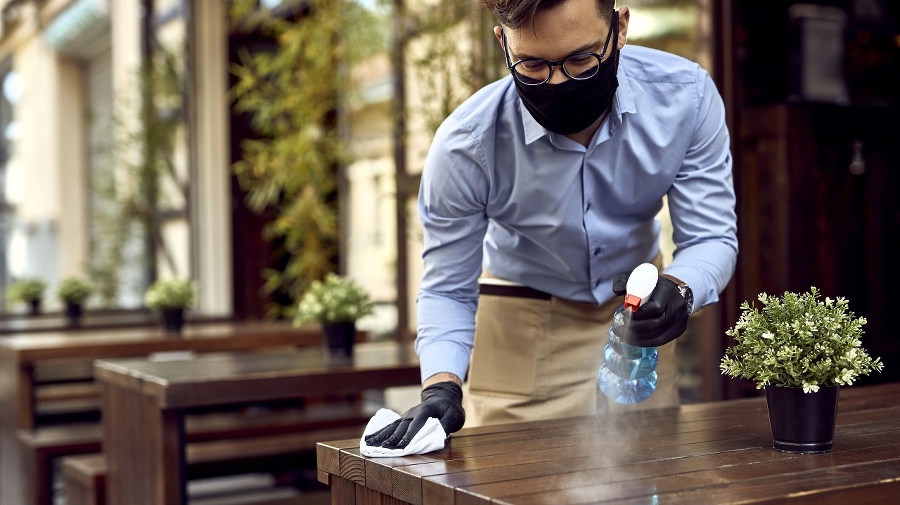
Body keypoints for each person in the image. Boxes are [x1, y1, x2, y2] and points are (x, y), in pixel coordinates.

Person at [365, 0, 737, 450]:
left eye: (581, 60)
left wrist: (679, 289)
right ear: (503, 42)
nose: (559, 83)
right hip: (522, 327)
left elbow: (711, 236)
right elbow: (447, 287)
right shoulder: (467, 145)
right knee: (508, 487)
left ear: (619, 28)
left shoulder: (687, 98)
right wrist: (441, 385)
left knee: (647, 479)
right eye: (534, 66)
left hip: (640, 323)